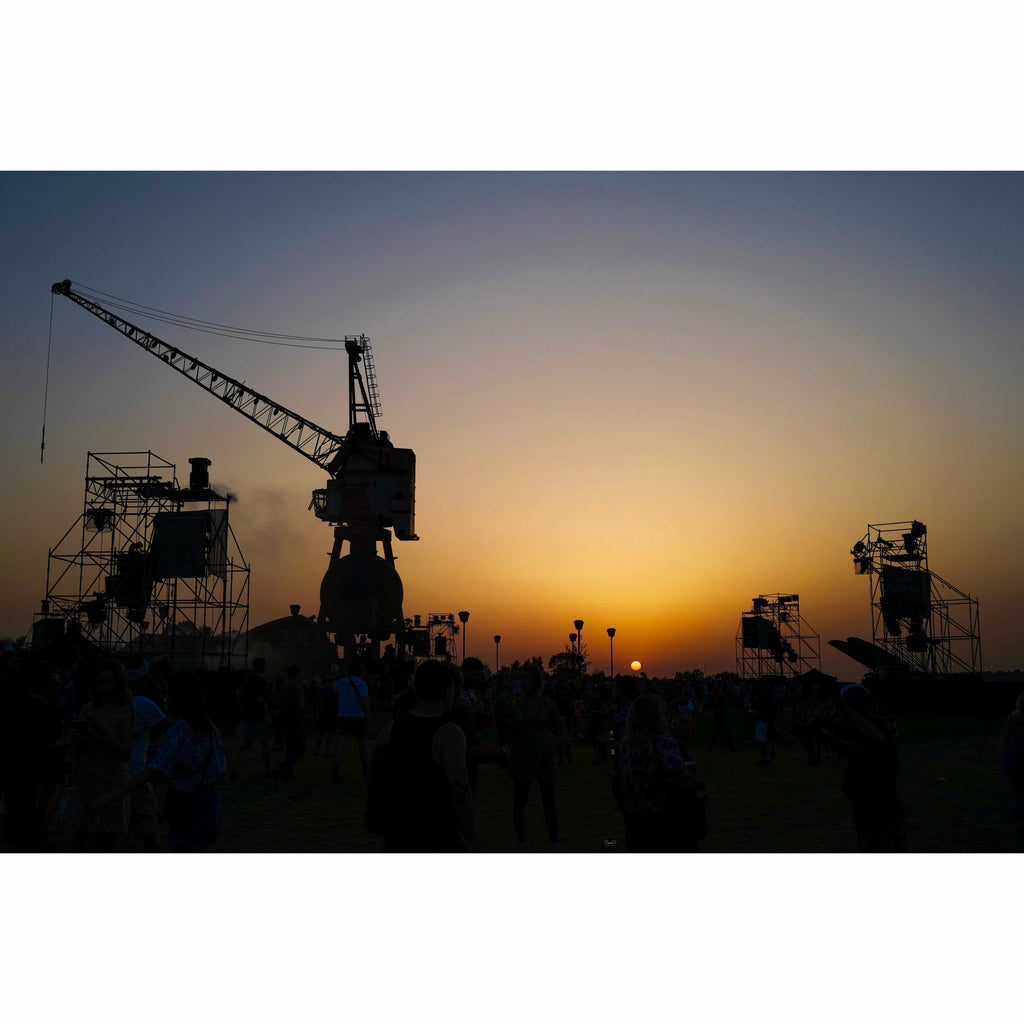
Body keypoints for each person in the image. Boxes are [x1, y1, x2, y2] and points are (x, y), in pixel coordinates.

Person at [94, 673, 227, 852]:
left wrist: (111, 796)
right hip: (210, 803)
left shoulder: (182, 730)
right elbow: (221, 769)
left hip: (189, 808)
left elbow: (152, 771)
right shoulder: (210, 727)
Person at [365, 659, 476, 852]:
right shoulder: (450, 734)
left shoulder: (391, 728)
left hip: (396, 835)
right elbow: (460, 794)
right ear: (447, 690)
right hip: (437, 836)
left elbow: (372, 773)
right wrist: (471, 841)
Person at [611, 692, 707, 852]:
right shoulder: (662, 742)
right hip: (664, 821)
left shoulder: (625, 745)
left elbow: (616, 779)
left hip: (635, 822)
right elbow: (680, 777)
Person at [60, 659, 138, 852]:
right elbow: (79, 748)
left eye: (110, 682)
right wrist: (77, 740)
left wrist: (103, 731)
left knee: (103, 843)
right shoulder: (89, 708)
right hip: (86, 781)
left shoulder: (126, 713)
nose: (105, 687)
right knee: (75, 841)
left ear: (119, 684)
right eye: (101, 682)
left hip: (111, 783)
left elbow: (126, 753)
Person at [499, 663, 567, 852]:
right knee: (520, 801)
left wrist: (553, 748)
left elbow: (562, 731)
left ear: (537, 681)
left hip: (543, 758)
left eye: (528, 677)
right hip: (521, 757)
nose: (523, 681)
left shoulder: (547, 704)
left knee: (549, 802)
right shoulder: (513, 705)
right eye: (522, 677)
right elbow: (504, 731)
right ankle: (522, 842)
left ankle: (555, 842)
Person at [837, 683, 907, 852]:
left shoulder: (881, 725)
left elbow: (876, 736)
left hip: (881, 803)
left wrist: (843, 706)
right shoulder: (862, 732)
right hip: (865, 802)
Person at [231, 657, 271, 779]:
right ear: (262, 666)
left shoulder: (246, 680)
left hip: (245, 716)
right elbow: (263, 700)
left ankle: (235, 770)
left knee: (240, 745)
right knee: (264, 744)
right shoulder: (262, 681)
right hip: (258, 716)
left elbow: (238, 695)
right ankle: (267, 771)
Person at [331, 661, 370, 783]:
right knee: (363, 745)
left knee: (341, 744)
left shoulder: (341, 682)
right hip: (358, 716)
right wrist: (368, 716)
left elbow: (334, 690)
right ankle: (366, 771)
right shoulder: (361, 684)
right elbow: (364, 701)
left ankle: (336, 771)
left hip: (343, 715)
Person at [998, 691, 1024, 847]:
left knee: (1019, 793)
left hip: (1015, 761)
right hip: (1017, 761)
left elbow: (1005, 740)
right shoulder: (1013, 719)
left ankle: (1020, 822)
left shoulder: (1012, 718)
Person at [276, 664, 307, 779]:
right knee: (301, 745)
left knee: (289, 745)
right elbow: (300, 706)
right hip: (296, 718)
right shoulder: (297, 687)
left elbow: (279, 702)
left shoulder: (284, 687)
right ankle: (287, 764)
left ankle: (288, 769)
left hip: (285, 718)